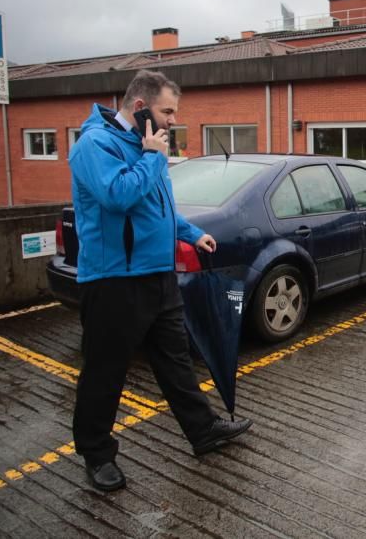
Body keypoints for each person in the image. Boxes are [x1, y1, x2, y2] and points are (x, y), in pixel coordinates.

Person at [69, 69, 252, 492]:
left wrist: (191, 233)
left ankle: (203, 430)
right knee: (105, 371)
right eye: (167, 111)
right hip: (114, 280)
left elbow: (159, 208)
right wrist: (153, 157)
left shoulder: (145, 144)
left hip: (158, 275)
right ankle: (97, 455)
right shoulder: (95, 145)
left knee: (175, 361)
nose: (173, 119)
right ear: (140, 107)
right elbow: (118, 197)